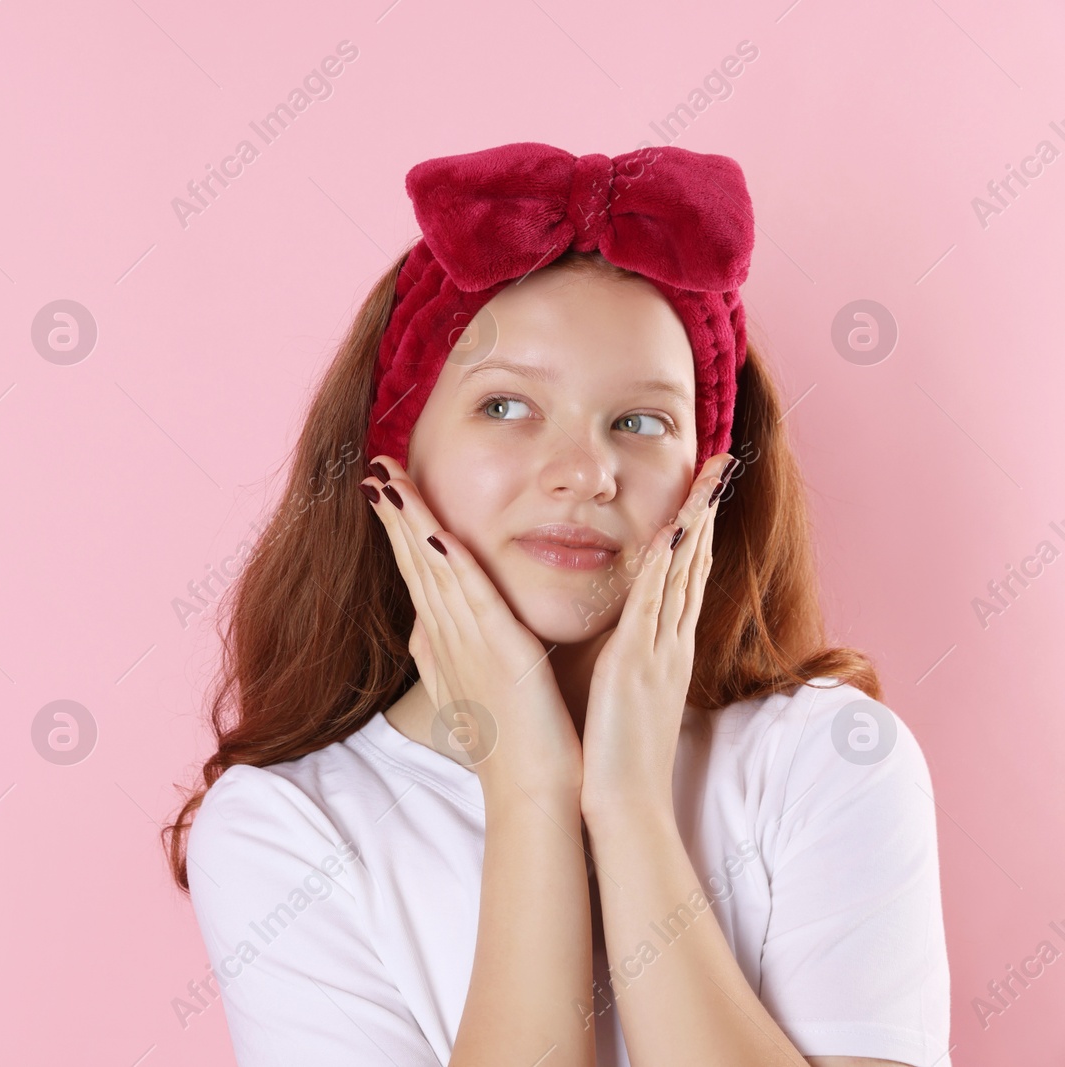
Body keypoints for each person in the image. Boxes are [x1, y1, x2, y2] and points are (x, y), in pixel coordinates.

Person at [162, 141, 951, 1067]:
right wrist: (529, 785)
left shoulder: (827, 757)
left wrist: (628, 807)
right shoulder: (285, 830)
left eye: (641, 422)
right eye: (505, 406)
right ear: (396, 450)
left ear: (708, 475)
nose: (584, 474)